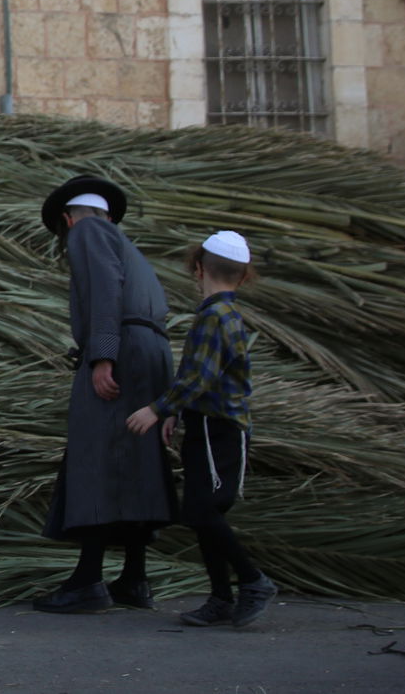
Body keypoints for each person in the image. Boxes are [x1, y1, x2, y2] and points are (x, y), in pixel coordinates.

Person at [34, 174, 178, 614]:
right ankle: (134, 577)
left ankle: (87, 580)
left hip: (123, 352)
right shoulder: (127, 245)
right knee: (136, 466)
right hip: (151, 354)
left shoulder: (88, 232)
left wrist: (102, 357)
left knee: (95, 458)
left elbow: (103, 290)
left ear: (66, 219)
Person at [126, 230, 278, 628]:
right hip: (211, 426)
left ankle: (252, 580)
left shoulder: (214, 317)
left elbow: (200, 377)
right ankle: (220, 599)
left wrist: (157, 410)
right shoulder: (226, 316)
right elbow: (199, 377)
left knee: (202, 510)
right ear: (243, 276)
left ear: (197, 268)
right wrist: (178, 411)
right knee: (201, 512)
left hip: (218, 430)